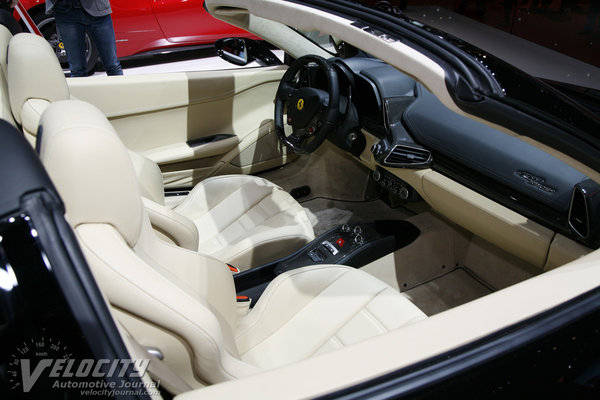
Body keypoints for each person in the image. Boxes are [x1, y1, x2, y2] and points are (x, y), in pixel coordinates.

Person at [46, 0, 122, 76]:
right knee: (77, 70)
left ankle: (120, 88)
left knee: (112, 65)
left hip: (96, 7)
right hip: (64, 10)